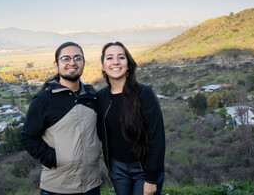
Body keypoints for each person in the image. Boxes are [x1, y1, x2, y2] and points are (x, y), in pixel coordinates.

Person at [21, 42, 102, 195]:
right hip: (57, 187)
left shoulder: (92, 96)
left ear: (83, 62)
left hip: (92, 185)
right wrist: (54, 158)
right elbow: (28, 137)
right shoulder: (44, 99)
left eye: (77, 58)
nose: (72, 62)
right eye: (66, 58)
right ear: (56, 63)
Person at [97, 42, 165, 195]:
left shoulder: (144, 93)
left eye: (121, 57)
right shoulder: (101, 97)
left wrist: (151, 178)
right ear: (103, 66)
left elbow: (157, 137)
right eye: (109, 58)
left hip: (144, 169)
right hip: (117, 169)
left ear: (128, 65)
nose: (115, 62)